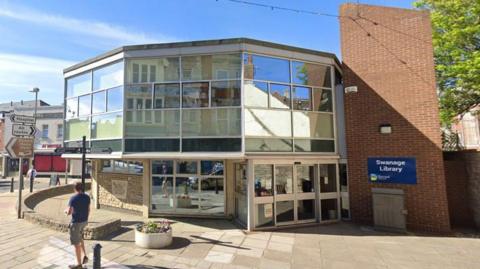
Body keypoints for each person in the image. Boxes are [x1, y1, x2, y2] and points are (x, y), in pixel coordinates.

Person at [65, 182, 90, 269]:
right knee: (80, 238)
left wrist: (65, 212)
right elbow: (88, 209)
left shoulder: (73, 198)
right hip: (84, 221)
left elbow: (69, 212)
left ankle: (79, 264)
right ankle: (84, 256)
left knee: (76, 244)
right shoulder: (87, 197)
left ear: (75, 189)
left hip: (76, 223)